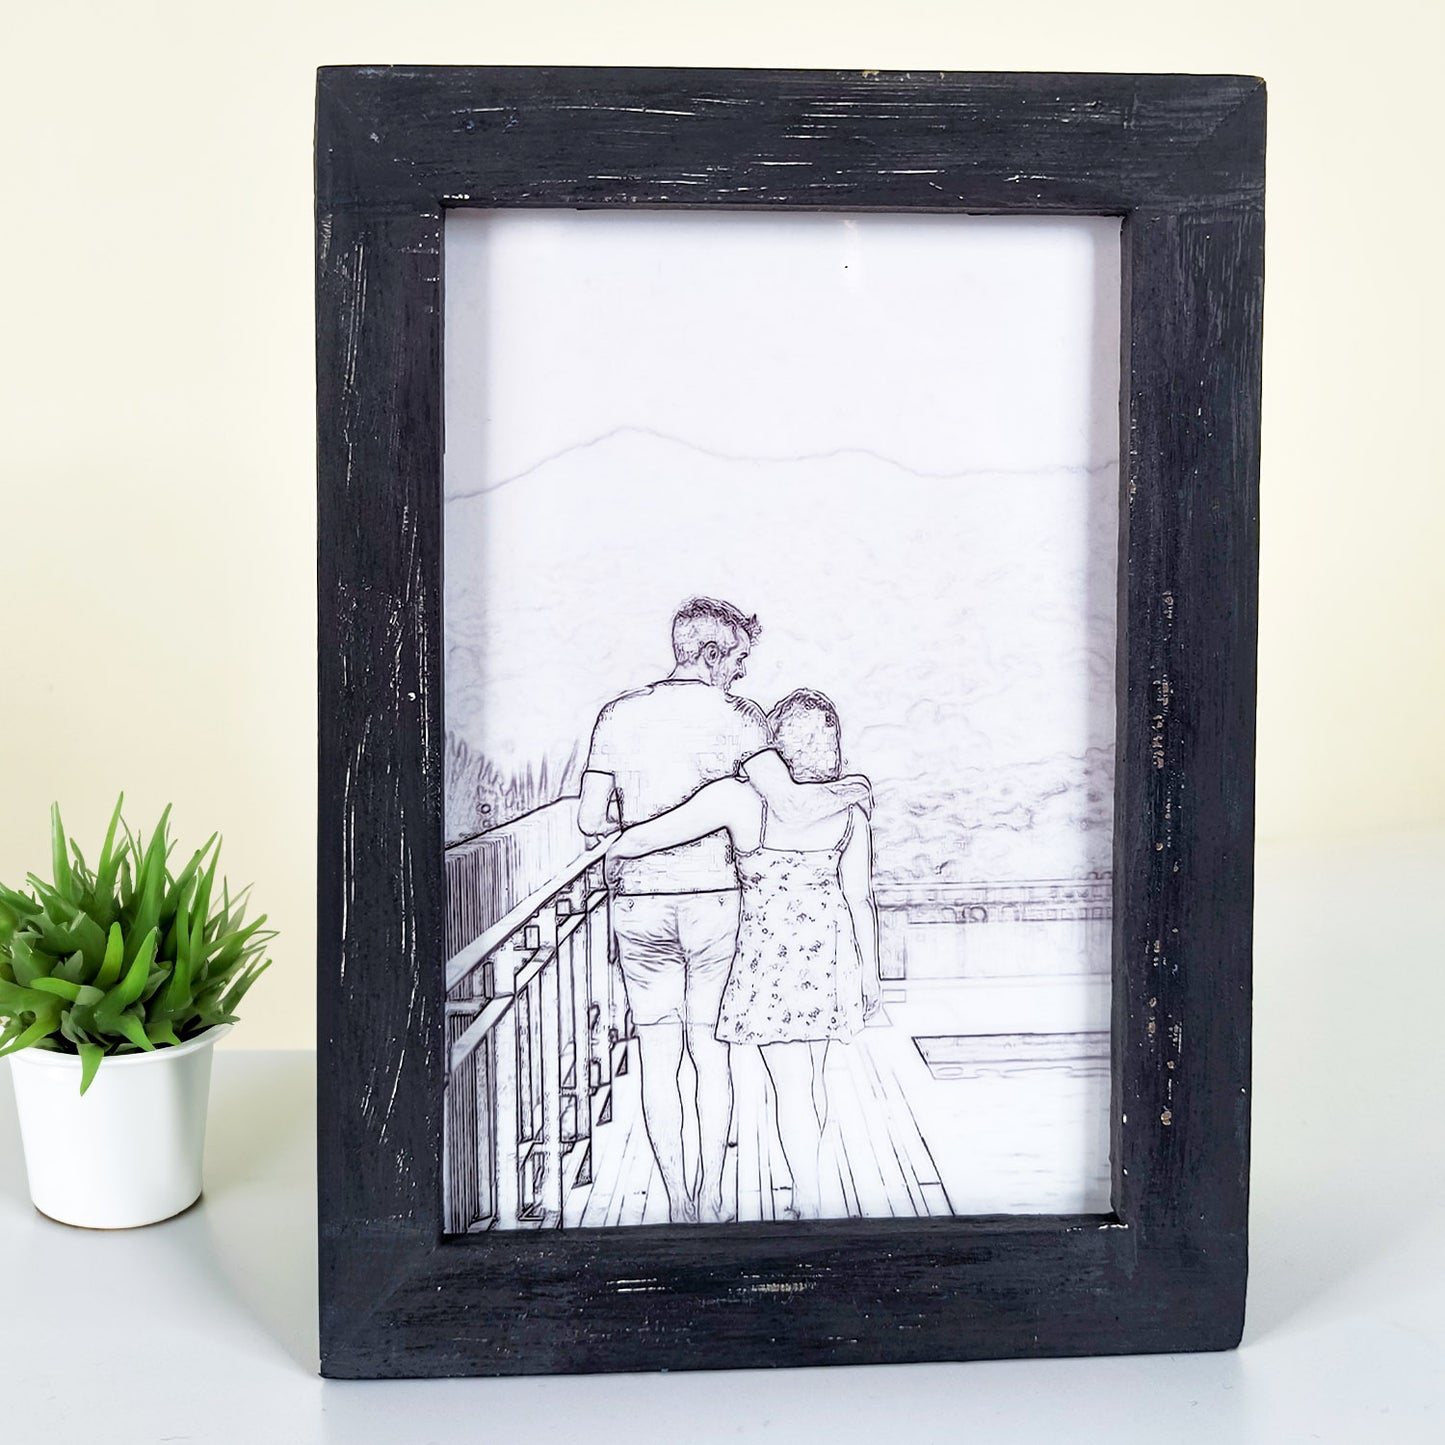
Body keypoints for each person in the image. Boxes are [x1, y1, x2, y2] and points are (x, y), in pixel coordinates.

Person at [609, 689, 880, 1221]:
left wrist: (612, 847)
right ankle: (808, 1192)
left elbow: (654, 833)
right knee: (811, 1080)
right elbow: (859, 899)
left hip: (768, 960)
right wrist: (870, 978)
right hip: (827, 954)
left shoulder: (738, 800)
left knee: (788, 1083)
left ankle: (805, 1197)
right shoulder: (850, 813)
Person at [577, 598, 768, 1224]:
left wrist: (635, 825)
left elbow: (588, 819)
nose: (739, 673)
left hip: (640, 904)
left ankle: (678, 1203)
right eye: (737, 659)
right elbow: (764, 817)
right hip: (715, 902)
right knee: (711, 1053)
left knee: (658, 1059)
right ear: (712, 654)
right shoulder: (741, 719)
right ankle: (714, 1193)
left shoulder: (616, 716)